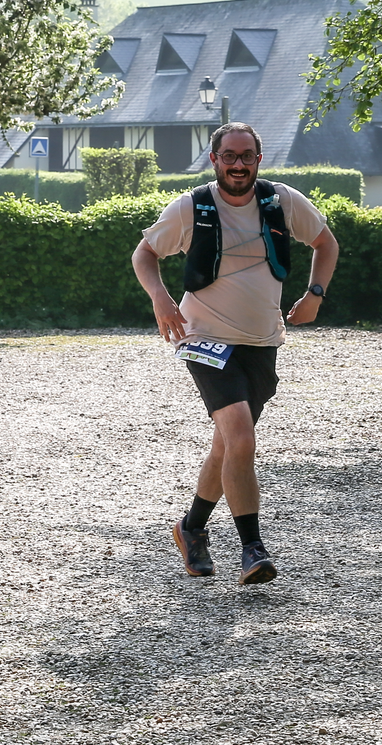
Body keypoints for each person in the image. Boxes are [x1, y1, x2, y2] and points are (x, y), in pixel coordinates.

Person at [131, 122, 339, 584]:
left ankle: (191, 528)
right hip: (203, 338)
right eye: (230, 156)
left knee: (227, 445)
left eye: (247, 156)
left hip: (263, 339)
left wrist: (315, 294)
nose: (239, 164)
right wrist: (162, 301)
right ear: (215, 160)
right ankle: (252, 548)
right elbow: (144, 255)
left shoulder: (282, 201)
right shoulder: (191, 207)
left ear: (259, 159)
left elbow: (326, 243)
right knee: (241, 436)